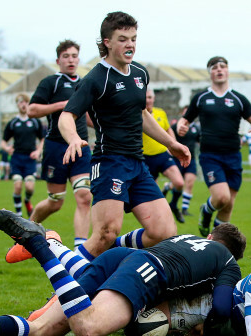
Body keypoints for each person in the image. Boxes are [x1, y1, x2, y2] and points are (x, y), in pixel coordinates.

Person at [0, 209, 246, 336]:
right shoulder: (229, 262)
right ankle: (40, 245)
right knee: (87, 329)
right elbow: (220, 305)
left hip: (124, 258)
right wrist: (204, 328)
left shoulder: (189, 237)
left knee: (40, 332)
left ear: (210, 235)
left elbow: (136, 246)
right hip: (146, 273)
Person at [59, 11, 190, 258]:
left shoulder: (140, 73)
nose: (130, 44)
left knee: (164, 230)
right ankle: (64, 280)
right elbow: (66, 116)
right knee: (105, 232)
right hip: (110, 162)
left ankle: (112, 250)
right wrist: (75, 138)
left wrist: (171, 143)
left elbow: (141, 114)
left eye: (133, 38)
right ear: (107, 42)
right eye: (122, 39)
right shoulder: (96, 78)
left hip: (138, 163)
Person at [176, 56, 251, 237]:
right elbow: (184, 119)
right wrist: (181, 125)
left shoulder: (238, 99)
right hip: (210, 156)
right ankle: (206, 211)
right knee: (221, 197)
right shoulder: (201, 98)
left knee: (229, 204)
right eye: (214, 67)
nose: (219, 70)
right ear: (210, 72)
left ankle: (216, 241)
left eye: (222, 66)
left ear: (227, 71)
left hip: (233, 155)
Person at [24, 39, 93, 250]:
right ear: (58, 60)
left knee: (84, 196)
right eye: (66, 56)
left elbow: (88, 116)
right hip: (56, 147)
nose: (70, 60)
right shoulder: (51, 82)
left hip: (81, 146)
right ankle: (27, 230)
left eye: (74, 56)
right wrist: (61, 106)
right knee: (56, 201)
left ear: (78, 59)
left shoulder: (85, 83)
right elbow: (32, 110)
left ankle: (81, 251)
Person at [142, 88, 186, 223]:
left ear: (154, 99)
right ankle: (159, 224)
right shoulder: (138, 115)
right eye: (146, 97)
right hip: (145, 159)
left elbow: (168, 130)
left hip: (162, 155)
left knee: (179, 182)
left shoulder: (160, 113)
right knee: (155, 197)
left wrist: (173, 145)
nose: (148, 100)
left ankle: (173, 204)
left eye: (150, 97)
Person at [1, 93, 44, 217]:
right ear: (17, 105)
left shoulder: (35, 122)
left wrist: (38, 151)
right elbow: (3, 141)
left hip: (30, 158)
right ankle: (19, 215)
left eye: (25, 102)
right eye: (20, 102)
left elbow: (42, 138)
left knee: (29, 187)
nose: (23, 104)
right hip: (17, 158)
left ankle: (27, 201)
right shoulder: (13, 123)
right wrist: (7, 148)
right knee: (18, 185)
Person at [164, 106, 201, 216]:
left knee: (189, 182)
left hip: (191, 158)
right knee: (179, 182)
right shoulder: (175, 127)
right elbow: (169, 140)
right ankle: (167, 187)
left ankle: (184, 209)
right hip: (178, 159)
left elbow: (199, 141)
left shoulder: (196, 128)